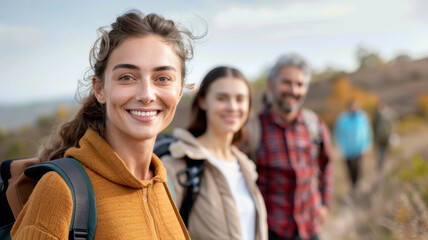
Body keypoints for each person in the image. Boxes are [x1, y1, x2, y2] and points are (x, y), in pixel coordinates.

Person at [11, 10, 197, 239]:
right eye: (127, 77)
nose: (146, 94)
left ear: (179, 92)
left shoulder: (162, 182)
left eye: (163, 78)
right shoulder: (59, 190)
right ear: (99, 89)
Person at [161, 66, 268, 240]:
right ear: (203, 101)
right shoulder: (177, 164)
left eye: (240, 99)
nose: (232, 107)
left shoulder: (246, 166)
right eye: (222, 98)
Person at [255, 54, 333, 240]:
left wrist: (325, 205)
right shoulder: (253, 129)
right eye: (286, 83)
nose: (293, 90)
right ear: (271, 85)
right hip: (271, 231)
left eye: (299, 84)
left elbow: (326, 164)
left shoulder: (314, 124)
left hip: (310, 228)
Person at [334, 98, 372, 190]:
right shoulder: (342, 119)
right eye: (353, 106)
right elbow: (338, 134)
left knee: (358, 169)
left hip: (359, 149)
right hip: (347, 150)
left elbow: (368, 132)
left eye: (356, 106)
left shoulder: (362, 117)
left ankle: (357, 186)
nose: (355, 108)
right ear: (349, 107)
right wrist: (341, 147)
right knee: (350, 170)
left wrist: (367, 146)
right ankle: (353, 187)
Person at [373, 101, 396, 171]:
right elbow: (374, 127)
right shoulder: (376, 116)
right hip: (378, 139)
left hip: (386, 138)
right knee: (379, 153)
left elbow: (392, 126)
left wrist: (391, 136)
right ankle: (380, 166)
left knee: (385, 153)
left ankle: (384, 166)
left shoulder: (388, 115)